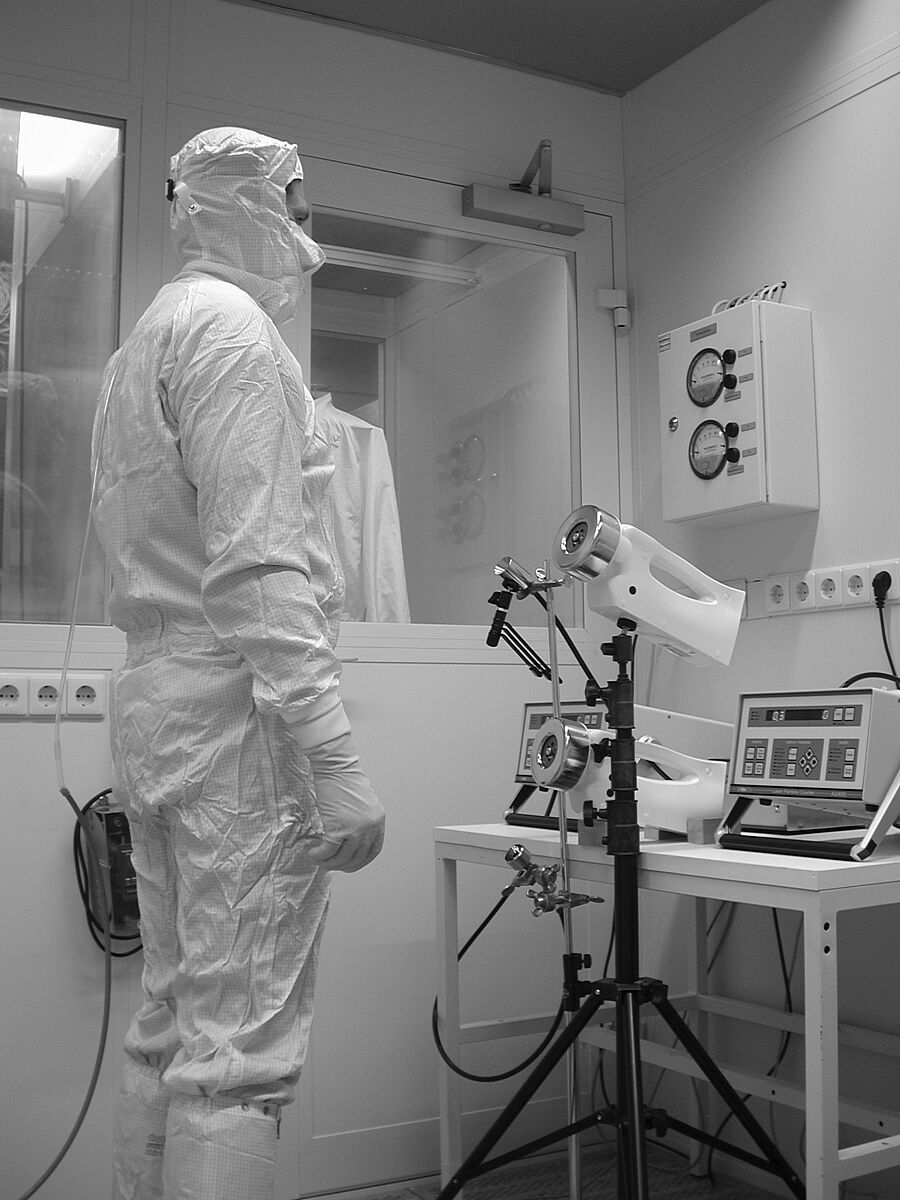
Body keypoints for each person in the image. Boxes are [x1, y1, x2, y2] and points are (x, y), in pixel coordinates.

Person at [91, 127, 385, 1200]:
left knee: (171, 1017)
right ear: (237, 206)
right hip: (233, 717)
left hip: (157, 707)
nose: (307, 238)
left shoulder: (144, 343)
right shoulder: (236, 338)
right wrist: (332, 753)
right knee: (239, 1047)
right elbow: (260, 567)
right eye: (294, 210)